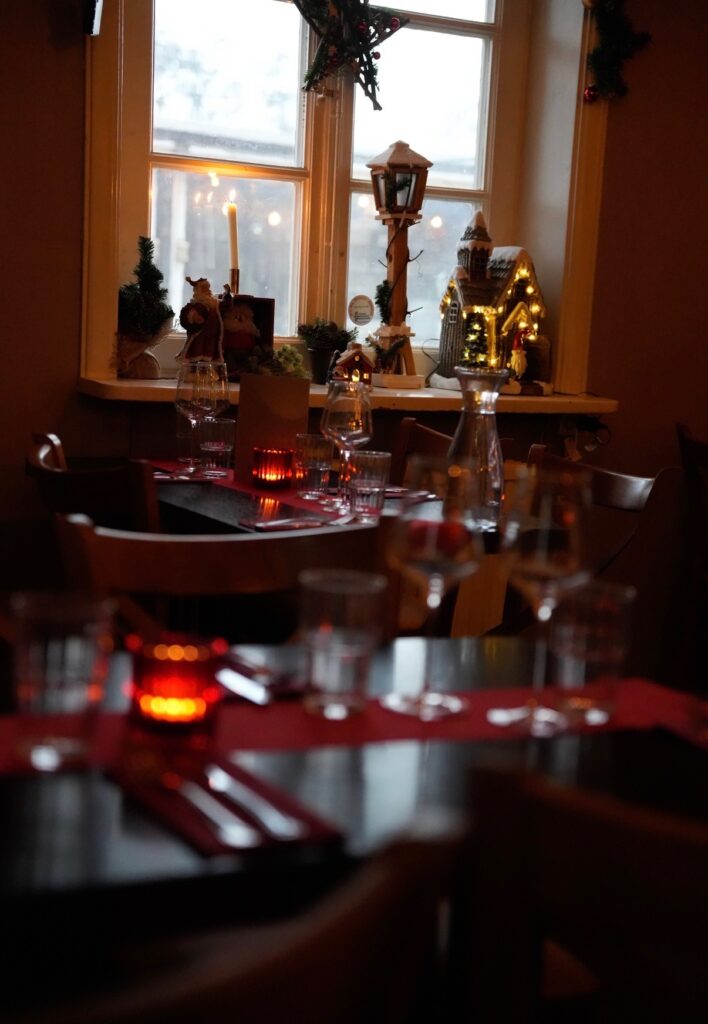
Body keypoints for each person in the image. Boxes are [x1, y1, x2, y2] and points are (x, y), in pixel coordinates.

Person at [178, 277, 224, 361]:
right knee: (196, 352)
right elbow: (185, 316)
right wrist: (193, 316)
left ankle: (207, 366)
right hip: (199, 335)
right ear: (198, 290)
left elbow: (225, 307)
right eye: (205, 289)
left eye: (208, 288)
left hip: (212, 335)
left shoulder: (215, 303)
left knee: (210, 353)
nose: (208, 291)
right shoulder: (194, 305)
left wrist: (227, 296)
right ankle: (195, 366)